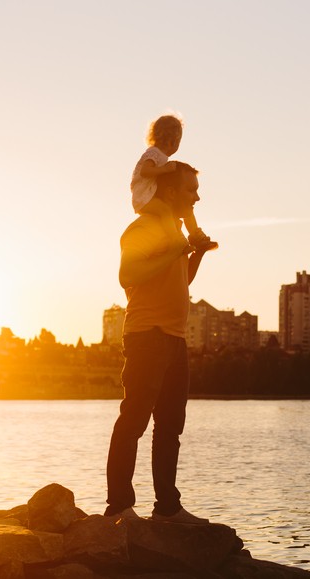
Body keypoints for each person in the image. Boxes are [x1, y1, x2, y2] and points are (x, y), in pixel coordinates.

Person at [105, 161, 214, 524]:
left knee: (170, 427)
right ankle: (119, 507)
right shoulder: (144, 227)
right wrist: (176, 249)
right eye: (190, 189)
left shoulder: (174, 231)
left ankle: (167, 508)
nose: (196, 196)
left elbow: (181, 279)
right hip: (146, 335)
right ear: (170, 191)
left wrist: (194, 252)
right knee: (133, 420)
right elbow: (128, 275)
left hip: (174, 338)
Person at [131, 114, 216, 250]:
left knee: (185, 208)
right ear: (173, 141)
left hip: (151, 193)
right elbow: (144, 171)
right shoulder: (154, 153)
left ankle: (195, 235)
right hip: (144, 197)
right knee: (165, 211)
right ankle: (175, 241)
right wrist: (164, 169)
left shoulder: (160, 156)